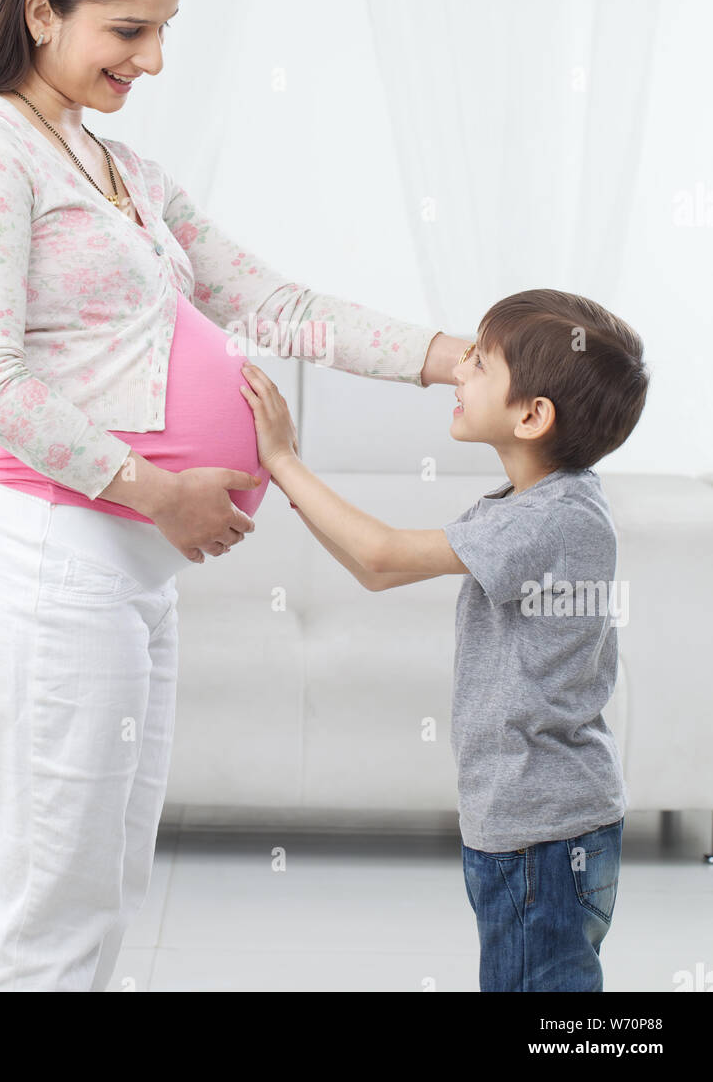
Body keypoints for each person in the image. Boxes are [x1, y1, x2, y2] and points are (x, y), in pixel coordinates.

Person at [0, 0, 470, 992]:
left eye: (162, 30)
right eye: (128, 29)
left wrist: (458, 354)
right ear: (39, 13)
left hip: (124, 574)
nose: (151, 60)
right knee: (53, 903)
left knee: (104, 882)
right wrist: (156, 490)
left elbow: (278, 306)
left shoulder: (120, 171)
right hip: (41, 557)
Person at [240, 287, 650, 992]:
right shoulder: (537, 505)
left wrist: (284, 461)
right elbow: (375, 569)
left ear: (533, 415)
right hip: (527, 826)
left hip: (544, 837)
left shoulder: (550, 519)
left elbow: (381, 555)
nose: (459, 373)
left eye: (481, 365)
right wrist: (289, 479)